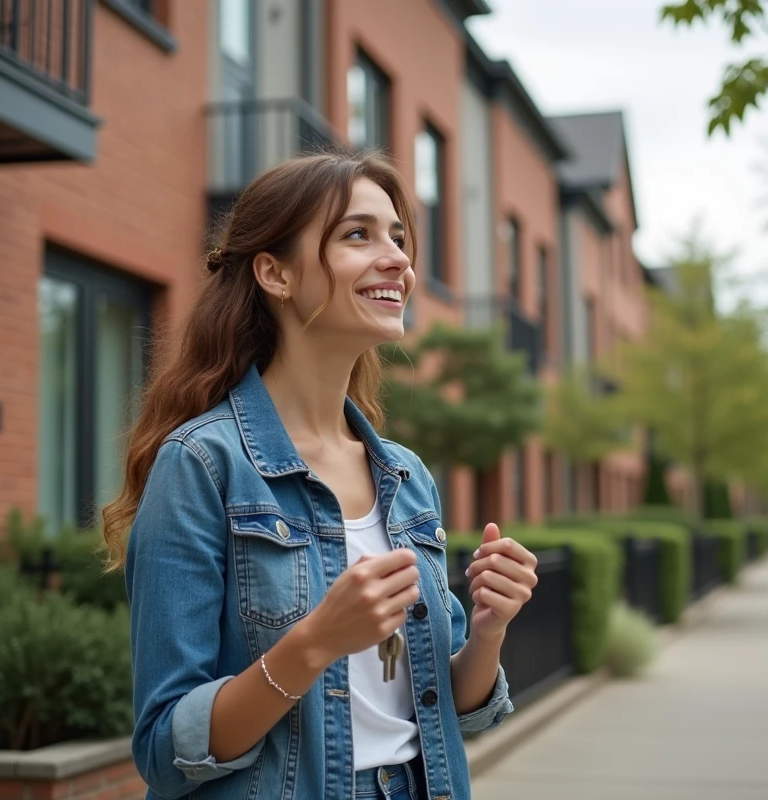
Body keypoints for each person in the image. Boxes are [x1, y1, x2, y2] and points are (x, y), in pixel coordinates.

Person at [101, 151, 539, 800]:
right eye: (357, 235)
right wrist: (316, 642)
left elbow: (447, 706)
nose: (397, 259)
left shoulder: (405, 474)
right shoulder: (201, 465)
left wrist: (488, 630)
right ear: (275, 274)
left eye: (397, 237)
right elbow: (168, 747)